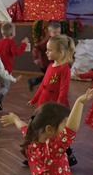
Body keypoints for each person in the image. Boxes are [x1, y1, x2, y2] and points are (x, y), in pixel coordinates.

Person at [29, 34, 77, 166]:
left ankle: (68, 154)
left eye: (50, 50)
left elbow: (63, 91)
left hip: (55, 105)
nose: (46, 52)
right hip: (44, 102)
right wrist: (34, 99)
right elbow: (43, 85)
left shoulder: (64, 69)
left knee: (57, 131)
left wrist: (58, 108)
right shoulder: (50, 66)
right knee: (40, 127)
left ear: (60, 52)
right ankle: (39, 153)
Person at [0, 22, 29, 110]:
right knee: (6, 86)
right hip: (5, 70)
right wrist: (24, 44)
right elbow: (16, 52)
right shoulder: (11, 42)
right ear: (12, 34)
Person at [28, 20, 62, 91]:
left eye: (58, 32)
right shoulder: (47, 41)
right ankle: (47, 89)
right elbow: (36, 47)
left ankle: (34, 82)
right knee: (50, 76)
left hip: (51, 62)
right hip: (44, 63)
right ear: (49, 33)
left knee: (49, 76)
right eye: (55, 33)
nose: (57, 34)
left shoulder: (57, 40)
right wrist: (36, 58)